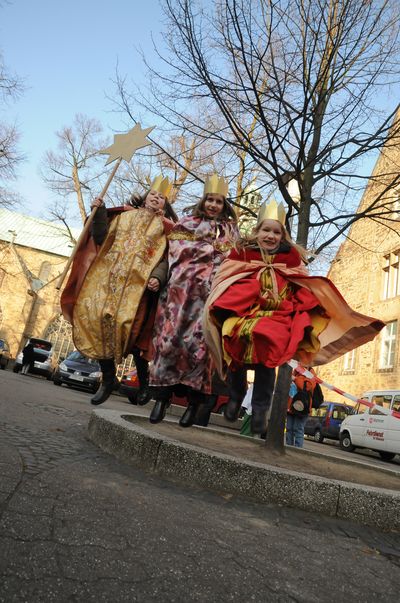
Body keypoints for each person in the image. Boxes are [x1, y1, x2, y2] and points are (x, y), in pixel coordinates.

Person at [204, 198, 385, 435]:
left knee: (269, 352)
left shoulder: (290, 260)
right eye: (266, 230)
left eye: (276, 232)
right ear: (257, 232)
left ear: (283, 236)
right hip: (244, 312)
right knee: (232, 340)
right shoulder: (242, 254)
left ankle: (260, 409)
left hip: (276, 315)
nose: (270, 236)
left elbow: (303, 283)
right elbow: (224, 278)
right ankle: (236, 396)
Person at [60, 176, 178, 406]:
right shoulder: (123, 215)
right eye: (152, 194)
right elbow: (102, 238)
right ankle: (108, 379)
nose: (156, 198)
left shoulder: (167, 229)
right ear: (145, 197)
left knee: (132, 333)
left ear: (165, 204)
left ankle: (144, 384)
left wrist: (157, 277)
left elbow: (168, 258)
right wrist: (100, 212)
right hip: (107, 282)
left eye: (161, 197)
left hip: (139, 289)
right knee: (96, 322)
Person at [148, 174, 238, 427]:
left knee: (199, 351)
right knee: (170, 344)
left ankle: (193, 404)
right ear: (203, 200)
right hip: (179, 298)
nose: (213, 205)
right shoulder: (186, 223)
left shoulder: (230, 231)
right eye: (210, 200)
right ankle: (161, 399)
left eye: (218, 201)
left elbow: (233, 261)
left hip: (208, 300)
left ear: (224, 204)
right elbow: (171, 253)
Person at [286, 367, 316, 447]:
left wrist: (295, 379)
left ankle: (297, 450)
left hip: (302, 407)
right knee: (289, 428)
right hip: (290, 406)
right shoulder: (295, 370)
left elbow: (307, 386)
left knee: (298, 429)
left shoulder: (310, 371)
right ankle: (289, 447)